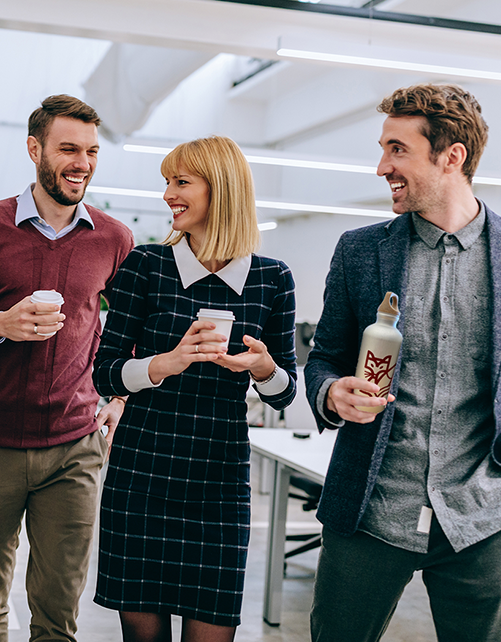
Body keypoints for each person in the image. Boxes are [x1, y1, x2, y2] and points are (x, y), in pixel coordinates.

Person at [304, 83, 501, 642]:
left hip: (485, 516)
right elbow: (326, 359)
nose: (382, 165)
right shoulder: (360, 251)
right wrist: (330, 392)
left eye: (397, 149)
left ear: (451, 156)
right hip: (370, 508)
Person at [93, 135, 298, 642]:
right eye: (167, 181)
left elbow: (284, 393)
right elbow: (105, 371)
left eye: (181, 182)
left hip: (220, 475)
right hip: (142, 469)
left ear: (221, 189)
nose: (168, 194)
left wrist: (264, 367)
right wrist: (165, 363)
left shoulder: (272, 280)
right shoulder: (146, 266)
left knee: (213, 628)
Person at [0, 94, 134, 642]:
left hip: (73, 444)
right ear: (35, 150)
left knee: (59, 608)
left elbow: (128, 332)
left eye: (92, 151)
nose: (82, 163)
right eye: (68, 149)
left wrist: (119, 397)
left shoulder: (114, 238)